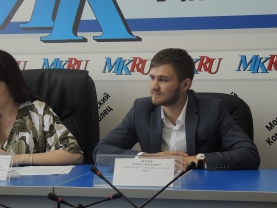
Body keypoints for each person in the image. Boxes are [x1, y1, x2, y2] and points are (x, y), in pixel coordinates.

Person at [94, 48, 260, 170]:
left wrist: (193, 160)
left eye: (163, 80)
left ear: (185, 84)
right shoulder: (141, 109)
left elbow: (249, 154)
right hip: (154, 191)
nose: (154, 86)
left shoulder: (213, 110)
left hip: (201, 191)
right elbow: (101, 151)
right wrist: (147, 158)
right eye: (152, 78)